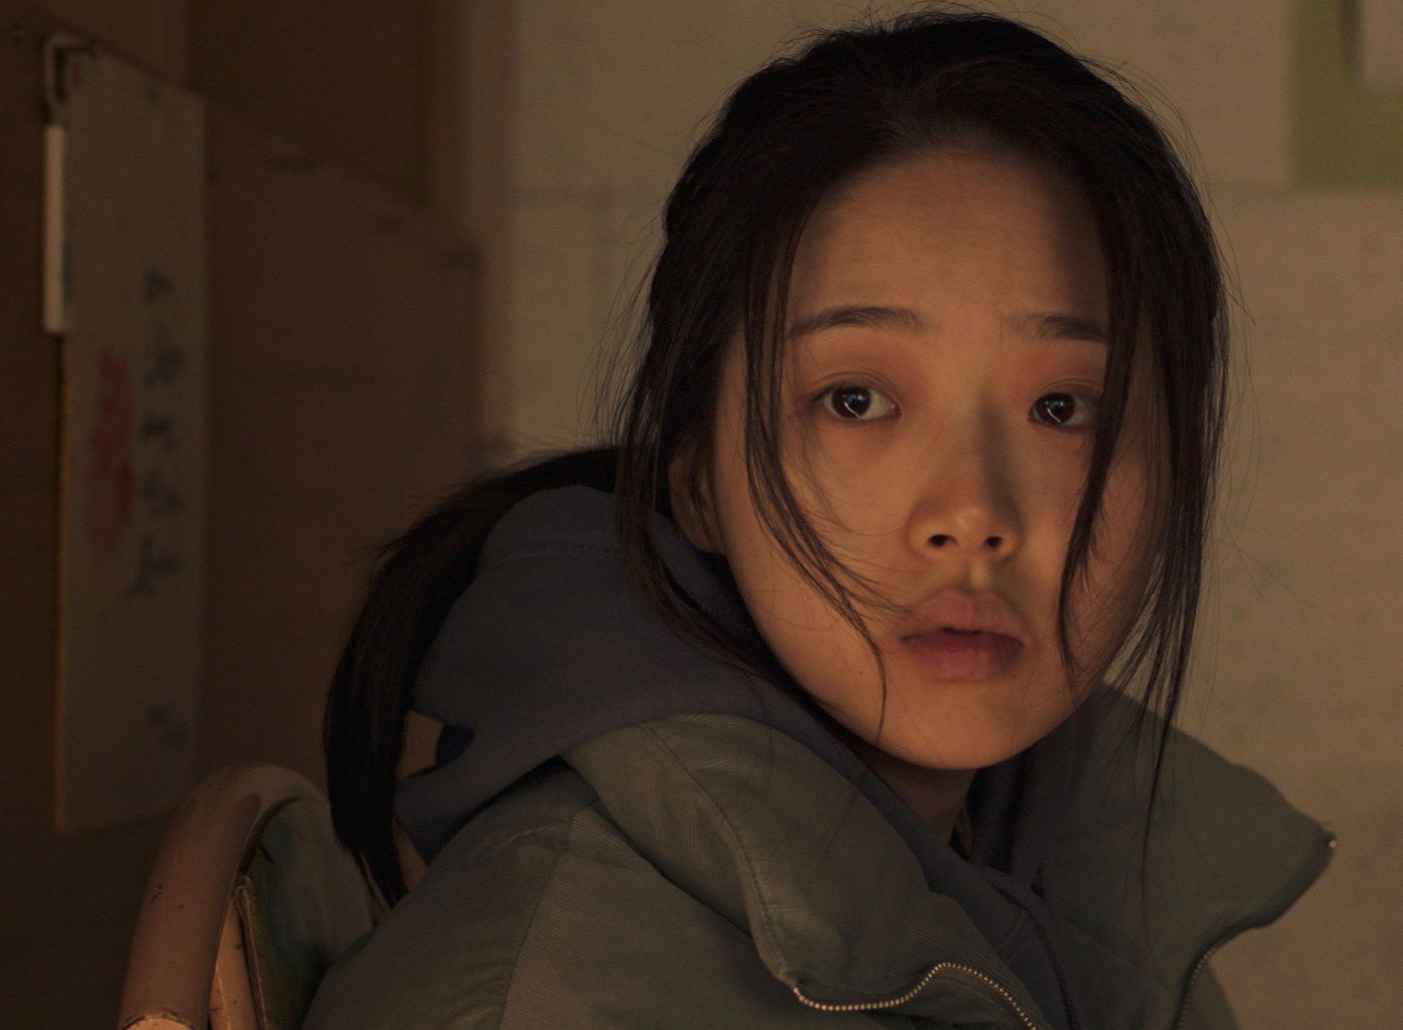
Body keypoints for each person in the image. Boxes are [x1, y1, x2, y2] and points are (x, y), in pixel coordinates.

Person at [304, 7, 1335, 1028]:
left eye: (1063, 408)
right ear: (696, 477)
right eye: (856, 400)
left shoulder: (1077, 902)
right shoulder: (543, 996)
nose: (971, 514)